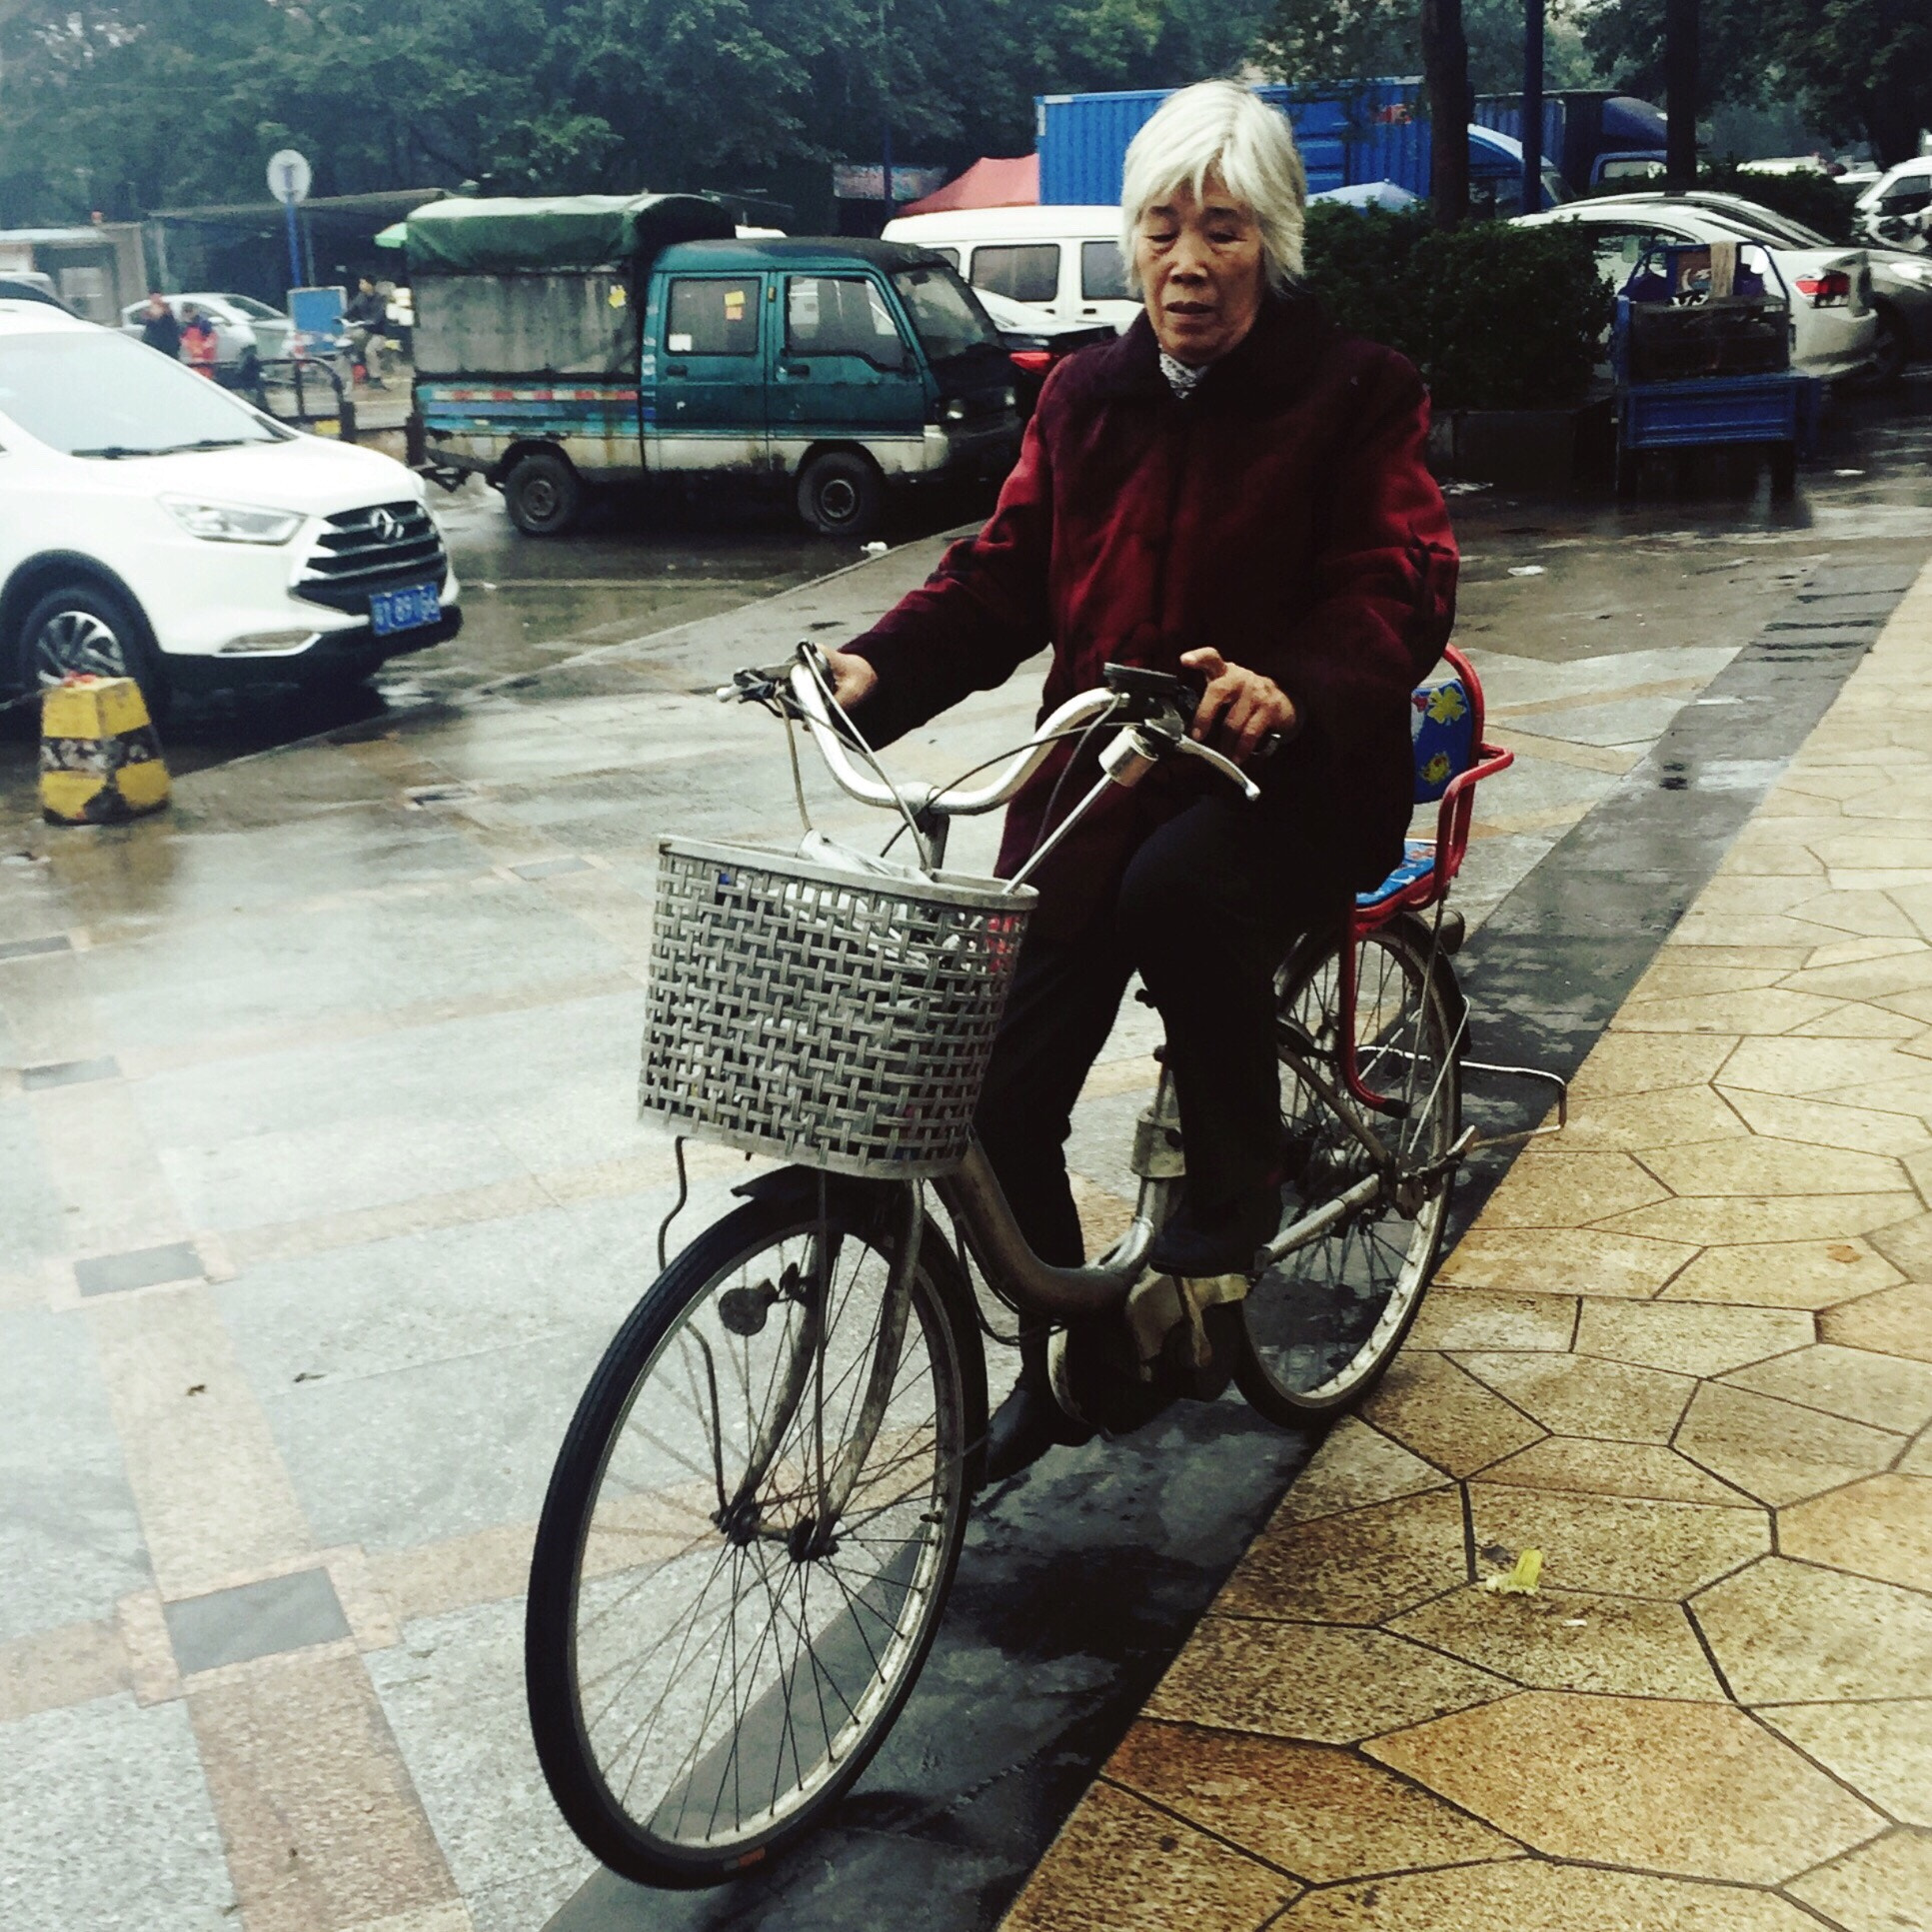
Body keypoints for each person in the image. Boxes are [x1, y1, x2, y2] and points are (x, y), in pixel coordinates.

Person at [824, 80, 1459, 1479]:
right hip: (1100, 785)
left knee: (1183, 895)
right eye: (1164, 228)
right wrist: (873, 670)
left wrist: (1291, 683)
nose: (1188, 263)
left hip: (1282, 781)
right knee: (992, 1103)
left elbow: (1398, 580)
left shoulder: (1354, 391)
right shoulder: (1087, 400)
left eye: (1222, 231)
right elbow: (998, 581)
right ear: (1131, 241)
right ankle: (1077, 1352)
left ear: (1270, 243)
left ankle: (1233, 1192)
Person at [344, 275, 388, 386]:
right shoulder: (360, 297)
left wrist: (371, 321)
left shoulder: (381, 298)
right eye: (360, 283)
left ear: (370, 285)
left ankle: (376, 378)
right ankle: (357, 363)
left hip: (379, 333)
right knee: (350, 338)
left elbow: (378, 317)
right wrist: (342, 318)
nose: (361, 285)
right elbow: (351, 310)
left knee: (370, 351)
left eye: (363, 283)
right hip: (365, 330)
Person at [179, 302, 219, 378]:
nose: (188, 314)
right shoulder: (182, 325)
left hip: (205, 357)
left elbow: (212, 337)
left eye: (190, 311)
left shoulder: (204, 323)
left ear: (194, 311)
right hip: (192, 358)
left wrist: (204, 346)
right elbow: (182, 339)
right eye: (186, 311)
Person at [138, 291, 181, 359]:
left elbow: (174, 331)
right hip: (154, 348)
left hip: (169, 348)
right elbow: (148, 334)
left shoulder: (168, 314)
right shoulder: (148, 316)